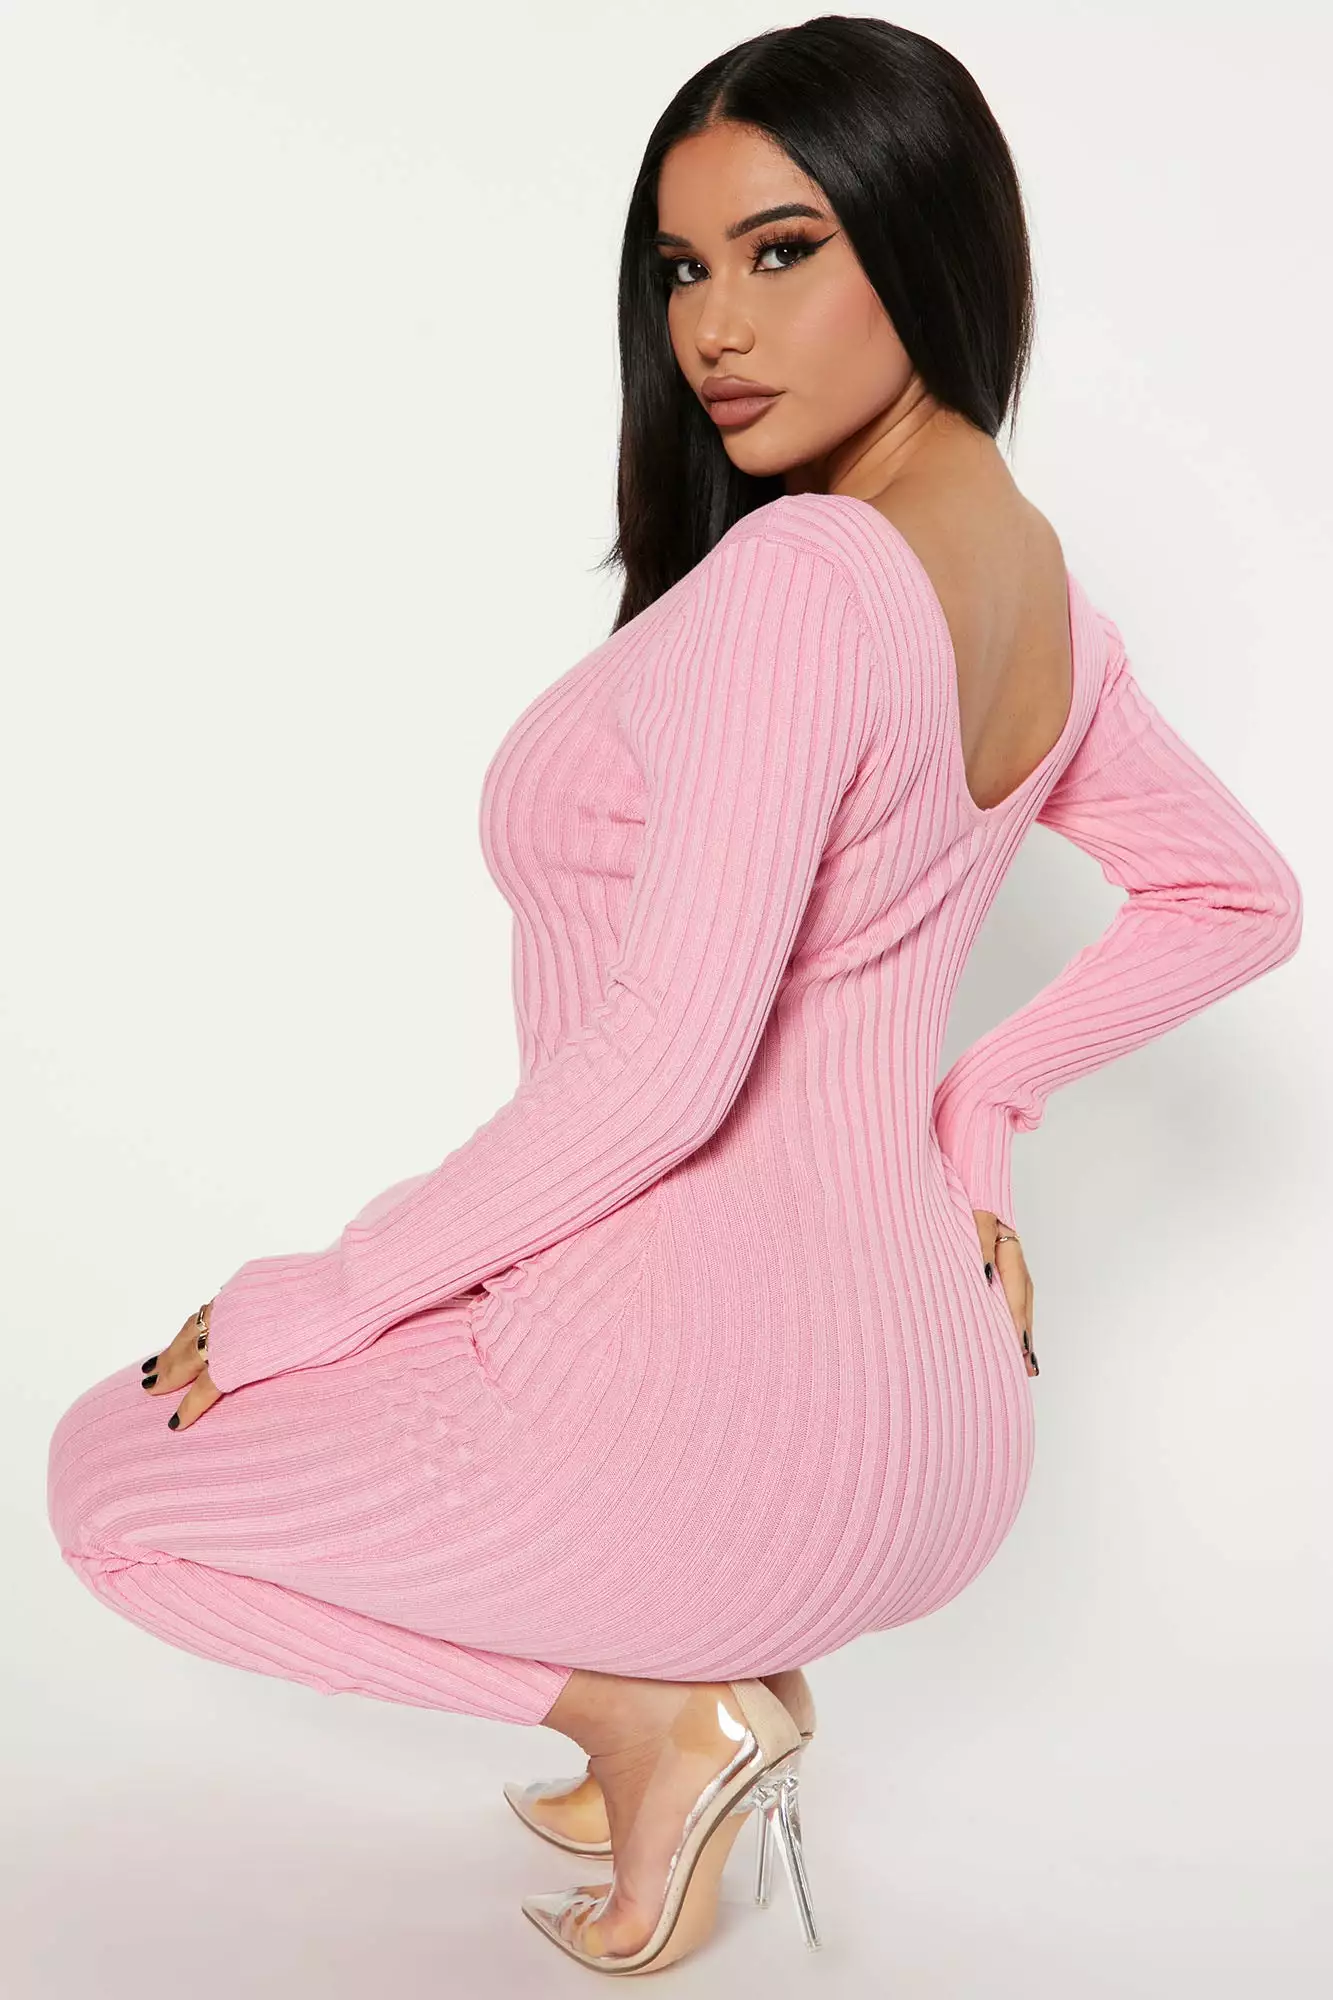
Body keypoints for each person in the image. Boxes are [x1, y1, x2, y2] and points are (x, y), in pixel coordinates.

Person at [45, 15, 1303, 1978]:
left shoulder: (809, 578)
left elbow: (664, 1068)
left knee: (108, 1485)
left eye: (783, 251)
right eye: (683, 266)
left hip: (702, 1410)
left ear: (927, 237)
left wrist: (328, 1292)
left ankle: (652, 1715)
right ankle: (681, 1684)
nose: (715, 324)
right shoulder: (1042, 596)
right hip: (943, 1434)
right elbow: (1240, 898)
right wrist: (977, 1123)